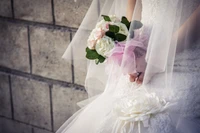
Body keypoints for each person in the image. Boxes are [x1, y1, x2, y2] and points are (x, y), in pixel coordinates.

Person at [57, 0, 200, 132]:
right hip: (142, 54)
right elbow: (133, 5)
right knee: (116, 115)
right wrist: (131, 48)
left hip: (186, 58)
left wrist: (155, 59)